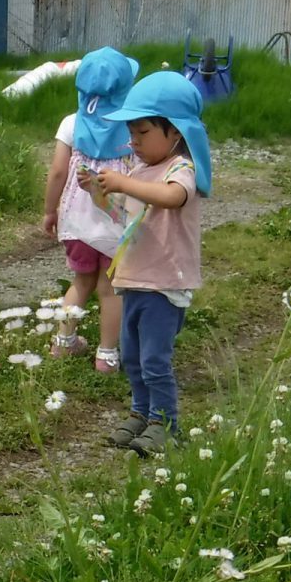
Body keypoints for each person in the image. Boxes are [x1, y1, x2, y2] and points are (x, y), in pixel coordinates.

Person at [87, 71, 212, 458]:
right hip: (133, 279)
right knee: (133, 358)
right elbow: (123, 214)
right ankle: (141, 414)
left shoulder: (180, 169)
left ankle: (166, 424)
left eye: (142, 132)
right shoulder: (138, 171)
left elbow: (172, 198)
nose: (133, 141)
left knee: (156, 359)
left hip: (163, 283)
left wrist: (123, 183)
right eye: (131, 133)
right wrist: (97, 191)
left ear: (174, 131)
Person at [42, 47, 139, 373]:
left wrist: (50, 211)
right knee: (110, 289)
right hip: (116, 220)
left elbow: (57, 171)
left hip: (76, 222)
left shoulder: (71, 123)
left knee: (81, 281)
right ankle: (106, 355)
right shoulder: (133, 128)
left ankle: (63, 342)